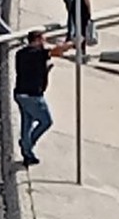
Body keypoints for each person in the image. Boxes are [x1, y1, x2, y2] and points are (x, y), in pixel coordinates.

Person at [14, 30, 75, 166]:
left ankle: (27, 153)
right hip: (33, 96)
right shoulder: (38, 54)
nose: (44, 43)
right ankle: (27, 144)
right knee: (46, 121)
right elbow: (57, 51)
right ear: (36, 40)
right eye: (43, 40)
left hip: (20, 94)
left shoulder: (20, 54)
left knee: (27, 122)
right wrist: (72, 43)